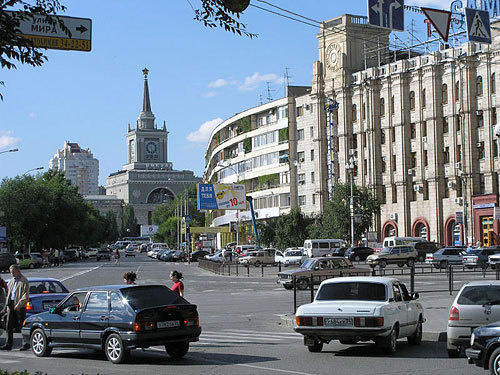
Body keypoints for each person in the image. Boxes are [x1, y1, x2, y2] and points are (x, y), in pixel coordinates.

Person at [1, 264, 29, 351]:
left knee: (21, 325)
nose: (12, 274)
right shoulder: (12, 281)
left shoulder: (24, 280)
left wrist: (19, 304)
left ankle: (25, 343)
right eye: (11, 272)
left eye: (13, 272)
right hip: (11, 304)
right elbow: (8, 293)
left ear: (17, 271)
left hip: (20, 306)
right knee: (8, 325)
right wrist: (7, 305)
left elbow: (25, 295)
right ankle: (8, 344)